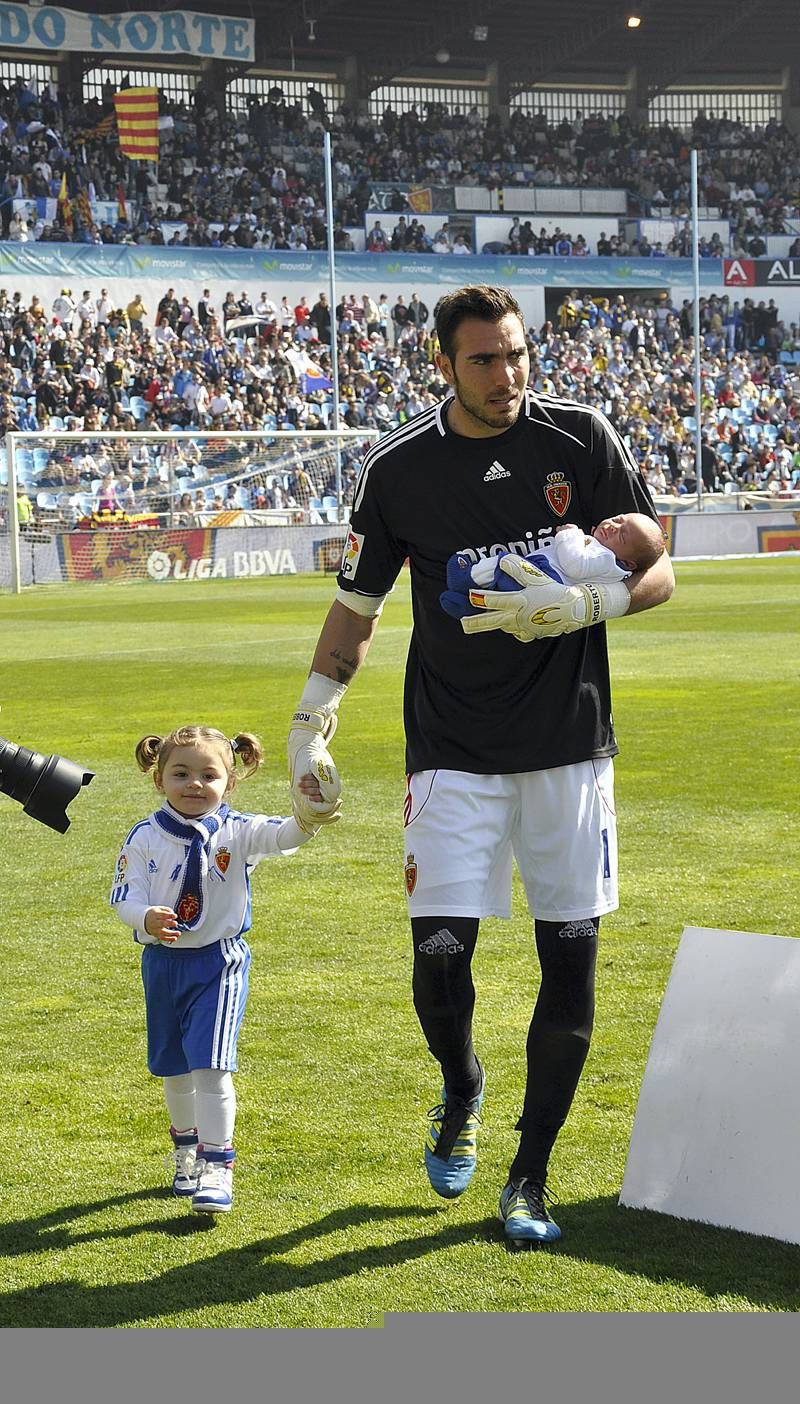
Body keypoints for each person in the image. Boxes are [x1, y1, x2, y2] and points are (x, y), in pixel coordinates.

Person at [287, 284, 674, 1248]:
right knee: (439, 962)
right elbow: (360, 605)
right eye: (485, 361)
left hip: (568, 752)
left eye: (516, 355)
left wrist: (591, 609)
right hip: (451, 751)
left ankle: (529, 1177)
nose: (507, 377)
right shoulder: (401, 471)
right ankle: (461, 1085)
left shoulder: (580, 440)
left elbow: (658, 567)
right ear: (443, 364)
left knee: (569, 962)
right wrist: (310, 720)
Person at [110, 725, 324, 1214]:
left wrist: (310, 812)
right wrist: (144, 916)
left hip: (218, 964)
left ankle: (217, 1165)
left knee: (211, 1064)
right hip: (162, 965)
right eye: (181, 773)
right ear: (159, 778)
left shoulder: (237, 830)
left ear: (230, 782)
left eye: (209, 774)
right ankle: (185, 1150)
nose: (194, 784)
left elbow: (283, 834)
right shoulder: (144, 837)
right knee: (173, 1068)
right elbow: (125, 893)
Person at [439, 513, 666, 620]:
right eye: (618, 519)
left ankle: (465, 577)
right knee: (499, 600)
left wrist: (570, 535)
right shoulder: (609, 559)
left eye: (623, 536)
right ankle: (467, 604)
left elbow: (575, 564)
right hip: (540, 578)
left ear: (627, 562)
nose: (614, 527)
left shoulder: (606, 559)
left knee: (502, 563)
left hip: (542, 576)